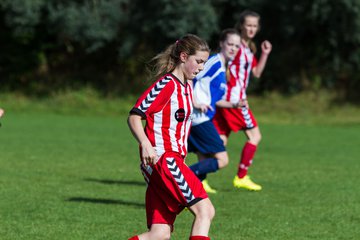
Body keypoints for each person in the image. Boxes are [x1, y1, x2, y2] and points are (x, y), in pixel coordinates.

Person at [127, 34, 215, 240]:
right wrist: (146, 144)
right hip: (165, 161)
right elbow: (134, 115)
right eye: (199, 62)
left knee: (159, 234)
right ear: (184, 56)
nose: (201, 67)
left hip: (168, 162)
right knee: (206, 211)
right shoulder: (166, 85)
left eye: (204, 63)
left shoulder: (187, 87)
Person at [213, 10, 272, 191]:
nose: (252, 29)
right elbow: (224, 62)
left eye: (255, 25)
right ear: (241, 26)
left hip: (228, 100)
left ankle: (200, 179)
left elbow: (256, 73)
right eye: (249, 25)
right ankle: (241, 176)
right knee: (255, 136)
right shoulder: (237, 46)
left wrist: (265, 54)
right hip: (234, 100)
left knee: (220, 141)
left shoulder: (247, 48)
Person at [187, 29, 242, 194]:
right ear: (221, 44)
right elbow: (189, 75)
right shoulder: (214, 62)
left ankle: (190, 191)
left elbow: (215, 100)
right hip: (198, 117)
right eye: (230, 44)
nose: (233, 48)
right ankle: (181, 178)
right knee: (222, 159)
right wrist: (195, 102)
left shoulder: (225, 68)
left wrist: (234, 105)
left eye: (237, 46)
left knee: (205, 156)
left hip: (204, 117)